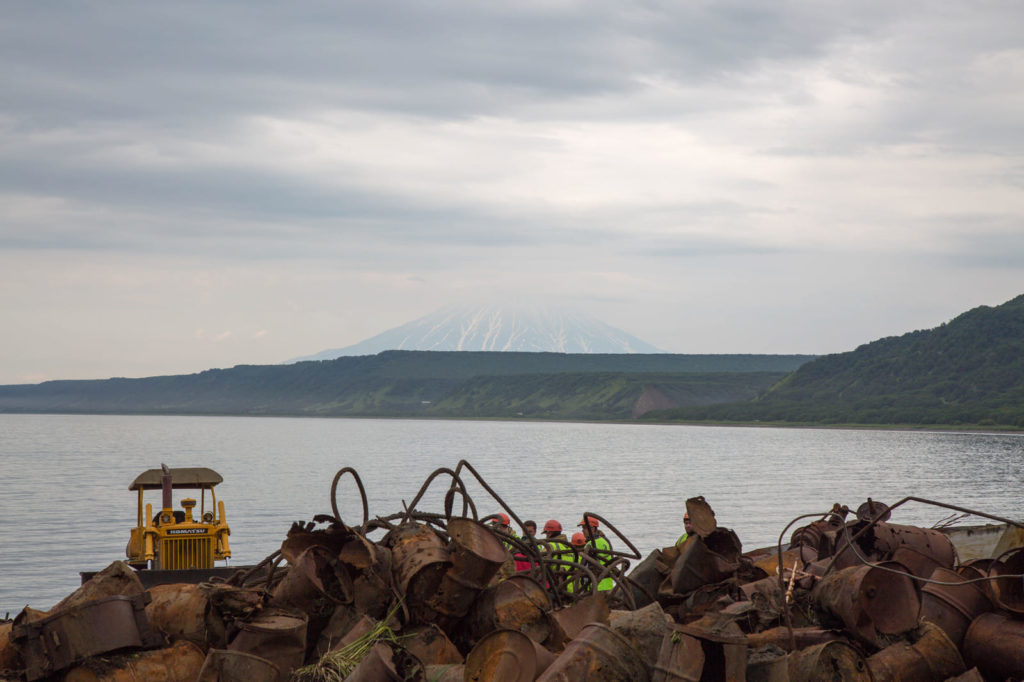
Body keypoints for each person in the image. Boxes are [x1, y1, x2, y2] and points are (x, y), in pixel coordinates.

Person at [577, 516, 615, 591]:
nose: (582, 530)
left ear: (593, 528)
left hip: (596, 586)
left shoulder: (590, 545)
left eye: (585, 528)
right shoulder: (605, 541)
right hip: (608, 585)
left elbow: (581, 565)